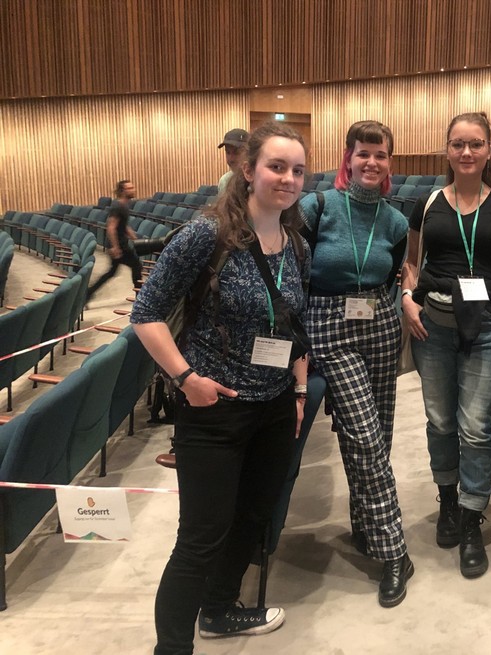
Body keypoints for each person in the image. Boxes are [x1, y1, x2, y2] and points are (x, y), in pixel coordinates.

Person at [130, 122, 310, 655]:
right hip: (215, 409)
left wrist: (298, 393)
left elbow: (291, 327)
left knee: (251, 520)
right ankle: (172, 648)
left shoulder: (294, 239)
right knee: (200, 539)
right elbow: (146, 315)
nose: (288, 178)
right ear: (249, 169)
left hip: (275, 406)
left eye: (298, 170)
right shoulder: (205, 235)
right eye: (277, 166)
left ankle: (221, 610)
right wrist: (187, 380)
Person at [400, 112, 491, 579]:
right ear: (447, 150)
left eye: (475, 144)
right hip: (432, 324)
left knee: (476, 426)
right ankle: (448, 501)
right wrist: (406, 301)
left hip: (490, 326)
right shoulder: (428, 203)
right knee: (439, 420)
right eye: (458, 144)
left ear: (489, 150)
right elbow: (411, 265)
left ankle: (473, 517)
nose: (466, 152)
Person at [297, 120, 412, 607]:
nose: (372, 162)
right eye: (363, 153)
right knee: (362, 434)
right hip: (328, 322)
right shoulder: (316, 206)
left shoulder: (396, 221)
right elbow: (293, 272)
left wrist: (398, 304)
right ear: (348, 157)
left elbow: (396, 274)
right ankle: (395, 551)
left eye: (380, 154)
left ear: (389, 162)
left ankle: (365, 523)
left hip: (381, 325)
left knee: (377, 434)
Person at [86, 179, 142, 299]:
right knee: (137, 266)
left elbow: (122, 225)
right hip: (119, 245)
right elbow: (111, 227)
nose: (133, 190)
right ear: (122, 191)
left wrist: (132, 235)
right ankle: (140, 297)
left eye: (133, 187)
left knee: (112, 272)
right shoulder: (118, 206)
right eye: (130, 188)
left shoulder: (123, 205)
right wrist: (115, 247)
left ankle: (88, 293)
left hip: (119, 243)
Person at [217, 128, 249, 194]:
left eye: (236, 152)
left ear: (248, 153)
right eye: (228, 152)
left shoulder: (259, 182)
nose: (231, 159)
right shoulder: (225, 181)